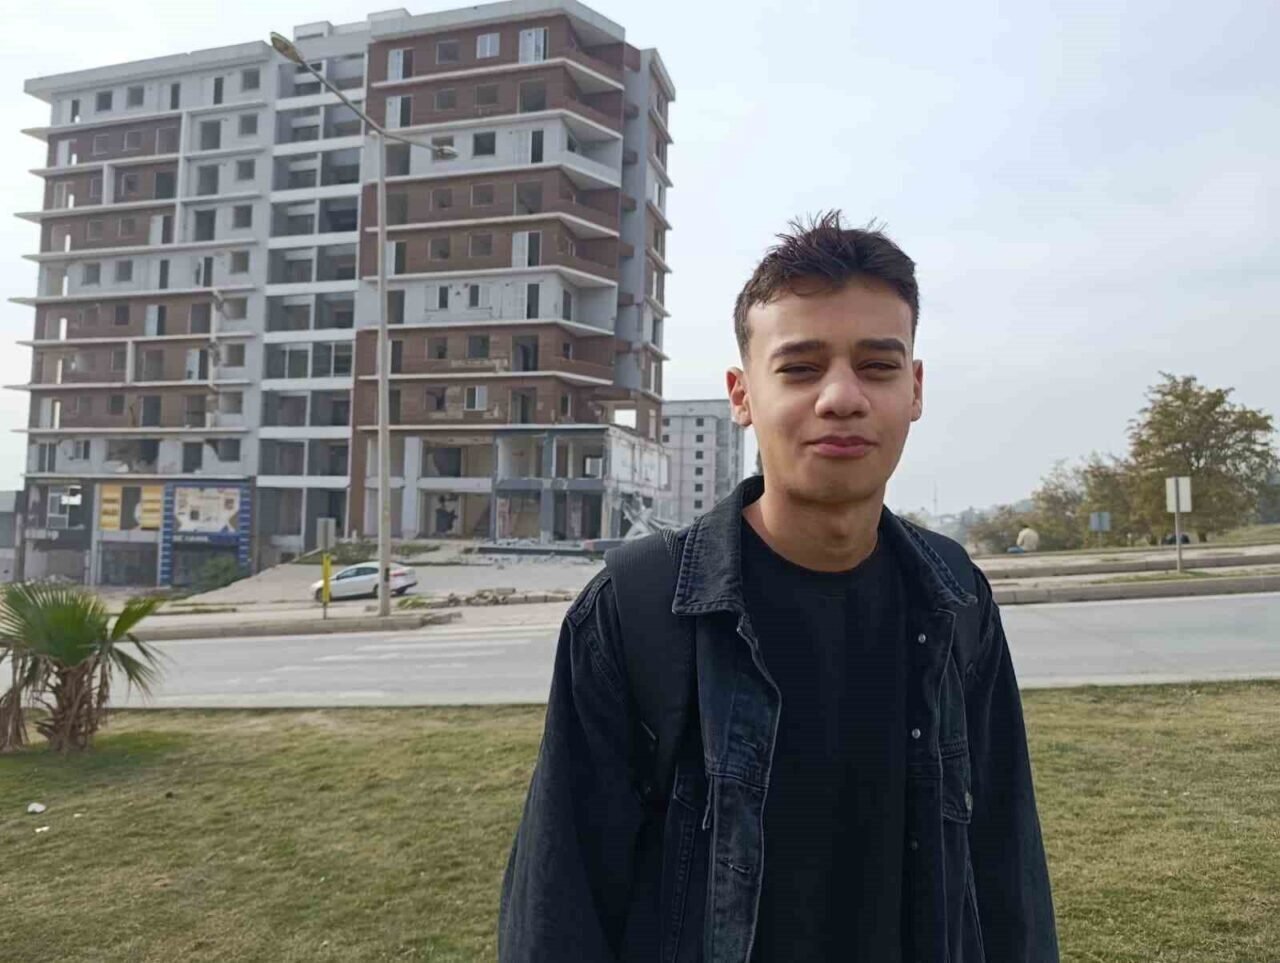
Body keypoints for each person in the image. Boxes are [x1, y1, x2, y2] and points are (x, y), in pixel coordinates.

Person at [499, 212, 1058, 962]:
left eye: (878, 366)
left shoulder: (956, 598)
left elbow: (1007, 873)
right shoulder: (637, 610)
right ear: (742, 394)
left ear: (915, 388)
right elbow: (557, 910)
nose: (841, 397)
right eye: (800, 368)